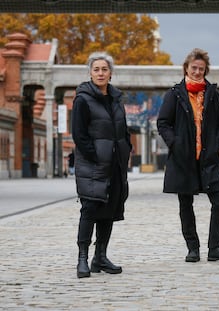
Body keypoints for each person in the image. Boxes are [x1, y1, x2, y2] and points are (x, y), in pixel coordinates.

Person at [157, 48, 219, 263]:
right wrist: (175, 143)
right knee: (186, 204)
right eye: (194, 68)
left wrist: (218, 143)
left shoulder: (212, 93)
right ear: (186, 68)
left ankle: (215, 248)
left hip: (208, 158)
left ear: (206, 70)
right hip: (183, 159)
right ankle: (193, 248)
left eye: (201, 69)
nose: (197, 72)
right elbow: (163, 123)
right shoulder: (174, 93)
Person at [72, 52, 132, 278]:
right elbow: (79, 134)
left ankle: (101, 257)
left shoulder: (117, 99)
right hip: (93, 165)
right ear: (90, 72)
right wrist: (95, 156)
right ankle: (82, 259)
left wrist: (125, 148)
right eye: (96, 69)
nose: (100, 73)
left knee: (110, 210)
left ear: (110, 73)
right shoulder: (82, 99)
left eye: (104, 69)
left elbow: (123, 129)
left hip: (115, 164)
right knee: (89, 209)